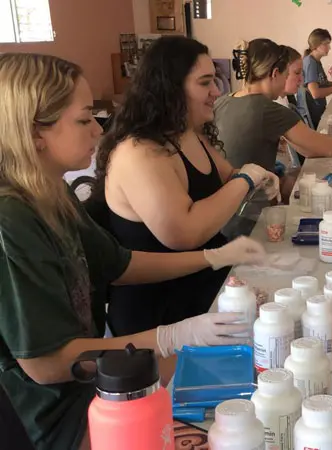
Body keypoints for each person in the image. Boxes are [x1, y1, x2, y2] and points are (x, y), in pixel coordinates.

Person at [0, 53, 267, 450]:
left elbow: (119, 264)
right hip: (56, 419)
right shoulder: (13, 219)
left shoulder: (51, 194)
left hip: (99, 384)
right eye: (84, 118)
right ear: (35, 132)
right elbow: (48, 363)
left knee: (253, 383)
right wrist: (171, 337)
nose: (97, 130)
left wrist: (215, 258)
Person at [93, 36, 278, 336]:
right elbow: (185, 232)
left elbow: (229, 177)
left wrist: (256, 178)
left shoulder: (188, 132)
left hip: (204, 287)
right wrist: (247, 178)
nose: (217, 91)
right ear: (169, 89)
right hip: (160, 314)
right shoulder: (139, 152)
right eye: (205, 83)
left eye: (215, 80)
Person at [215, 38, 332, 173]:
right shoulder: (268, 110)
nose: (285, 81)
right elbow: (330, 148)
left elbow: (309, 149)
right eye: (285, 76)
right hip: (251, 191)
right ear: (275, 74)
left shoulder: (221, 102)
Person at [296, 28, 332, 129]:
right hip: (311, 115)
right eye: (326, 44)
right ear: (316, 45)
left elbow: (322, 83)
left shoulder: (316, 61)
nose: (329, 47)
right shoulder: (310, 63)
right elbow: (315, 93)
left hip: (318, 110)